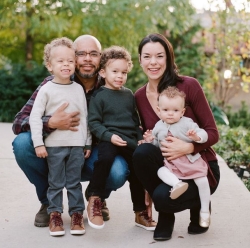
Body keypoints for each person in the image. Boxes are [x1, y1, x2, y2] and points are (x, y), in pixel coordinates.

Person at [12, 34, 154, 231]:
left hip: (90, 154)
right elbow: (19, 121)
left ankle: (97, 197)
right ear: (73, 57)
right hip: (55, 150)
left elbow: (127, 123)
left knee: (117, 170)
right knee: (21, 143)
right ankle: (49, 203)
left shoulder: (112, 87)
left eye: (93, 54)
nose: (87, 58)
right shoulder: (53, 83)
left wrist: (142, 138)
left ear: (101, 61)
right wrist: (50, 122)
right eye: (81, 54)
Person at [133, 33, 220, 241]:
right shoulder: (138, 96)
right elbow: (153, 140)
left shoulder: (189, 86)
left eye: (159, 56)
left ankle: (201, 202)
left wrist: (188, 147)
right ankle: (166, 216)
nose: (153, 62)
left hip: (199, 164)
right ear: (140, 60)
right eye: (147, 56)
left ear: (169, 59)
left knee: (167, 196)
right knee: (142, 152)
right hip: (171, 169)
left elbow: (212, 132)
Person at [86, 46, 156, 230]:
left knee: (137, 170)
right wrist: (109, 136)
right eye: (115, 71)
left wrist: (140, 138)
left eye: (123, 72)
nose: (120, 76)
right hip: (109, 139)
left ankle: (140, 212)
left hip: (129, 139)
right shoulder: (98, 96)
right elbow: (94, 123)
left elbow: (135, 121)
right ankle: (94, 197)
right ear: (103, 72)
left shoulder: (128, 95)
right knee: (106, 158)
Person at [29, 37, 92, 236]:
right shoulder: (46, 89)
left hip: (76, 146)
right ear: (50, 65)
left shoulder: (78, 89)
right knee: (55, 182)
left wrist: (87, 142)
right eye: (60, 61)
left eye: (70, 60)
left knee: (73, 182)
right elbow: (34, 117)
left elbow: (85, 117)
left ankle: (76, 215)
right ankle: (55, 214)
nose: (66, 64)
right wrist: (39, 144)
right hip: (54, 146)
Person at [143, 86, 211, 228]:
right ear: (159, 110)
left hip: (190, 161)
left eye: (175, 111)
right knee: (161, 171)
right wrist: (150, 140)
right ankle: (177, 184)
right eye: (166, 110)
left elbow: (204, 134)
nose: (170, 114)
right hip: (172, 165)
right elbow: (156, 145)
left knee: (202, 181)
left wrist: (196, 137)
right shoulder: (158, 126)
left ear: (182, 112)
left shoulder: (187, 123)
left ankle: (204, 211)